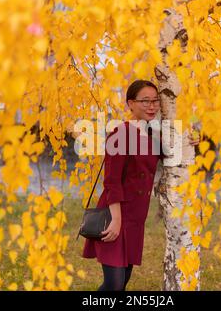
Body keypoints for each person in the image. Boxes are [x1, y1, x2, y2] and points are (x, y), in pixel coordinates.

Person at [82, 79, 200, 291]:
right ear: (130, 104)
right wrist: (116, 220)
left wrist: (189, 140)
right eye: (145, 101)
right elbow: (111, 181)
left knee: (123, 280)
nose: (152, 106)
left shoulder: (154, 134)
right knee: (114, 284)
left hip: (136, 219)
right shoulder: (120, 134)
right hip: (115, 214)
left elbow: (170, 154)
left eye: (155, 101)